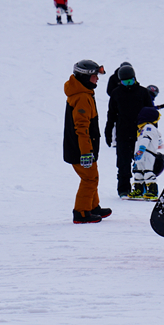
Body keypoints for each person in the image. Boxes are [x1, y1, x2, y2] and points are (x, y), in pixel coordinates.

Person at [64, 60, 111, 224]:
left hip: (87, 147)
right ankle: (81, 212)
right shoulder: (82, 97)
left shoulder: (84, 94)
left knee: (93, 176)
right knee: (89, 179)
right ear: (85, 77)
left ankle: (93, 206)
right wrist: (85, 152)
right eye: (94, 76)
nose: (97, 79)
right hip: (81, 149)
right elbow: (81, 127)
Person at [105, 64, 153, 198]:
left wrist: (153, 132)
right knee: (123, 163)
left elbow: (151, 113)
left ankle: (143, 187)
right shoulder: (116, 93)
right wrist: (108, 132)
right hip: (123, 133)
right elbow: (111, 115)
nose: (128, 84)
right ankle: (123, 189)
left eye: (130, 81)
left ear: (135, 79)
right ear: (120, 81)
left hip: (140, 133)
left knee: (143, 161)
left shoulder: (143, 92)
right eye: (125, 82)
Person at [128, 107, 162, 200]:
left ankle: (152, 190)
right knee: (138, 172)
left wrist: (141, 149)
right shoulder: (143, 128)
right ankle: (138, 189)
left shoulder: (149, 127)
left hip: (147, 153)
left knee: (148, 171)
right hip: (140, 154)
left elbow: (146, 138)